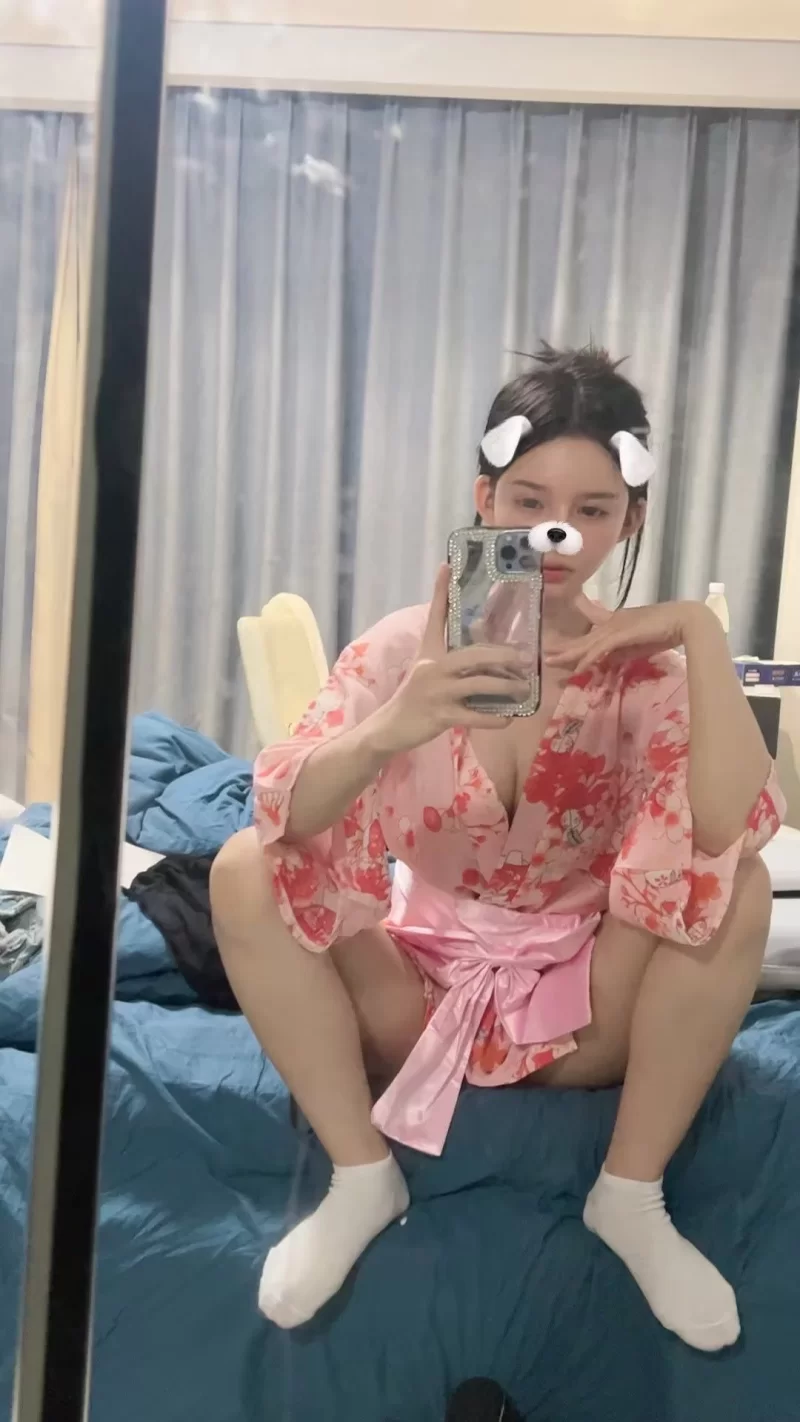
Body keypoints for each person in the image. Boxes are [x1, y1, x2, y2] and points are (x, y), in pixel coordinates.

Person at [210, 344, 783, 1348]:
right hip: (414, 1008)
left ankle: (630, 1195)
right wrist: (393, 725)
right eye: (527, 500)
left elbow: (727, 823)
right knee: (243, 868)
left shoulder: (643, 671)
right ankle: (360, 1175)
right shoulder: (403, 649)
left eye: (592, 509)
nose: (556, 532)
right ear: (484, 497)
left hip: (585, 1015)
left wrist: (694, 631)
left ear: (628, 521)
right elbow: (284, 807)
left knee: (740, 886)